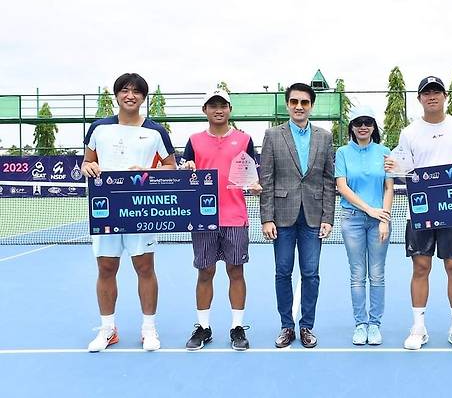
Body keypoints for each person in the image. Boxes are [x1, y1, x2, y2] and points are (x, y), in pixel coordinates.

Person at [82, 73, 176, 352]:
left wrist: (149, 171)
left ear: (143, 97)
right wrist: (87, 167)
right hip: (106, 210)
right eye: (125, 90)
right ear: (117, 95)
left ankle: (149, 329)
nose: (130, 95)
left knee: (145, 267)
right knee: (106, 267)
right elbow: (87, 162)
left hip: (141, 211)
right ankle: (108, 329)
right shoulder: (99, 128)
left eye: (136, 91)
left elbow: (171, 167)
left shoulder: (156, 131)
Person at [384, 76, 452, 351]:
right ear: (420, 98)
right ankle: (418, 328)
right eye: (426, 92)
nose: (431, 96)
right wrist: (393, 165)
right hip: (421, 211)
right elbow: (405, 170)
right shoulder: (409, 132)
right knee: (421, 267)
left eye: (436, 91)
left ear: (444, 95)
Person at [180, 87, 262, 351]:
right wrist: (187, 168)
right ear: (204, 110)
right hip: (203, 218)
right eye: (212, 105)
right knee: (205, 272)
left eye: (223, 105)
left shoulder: (245, 139)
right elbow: (186, 174)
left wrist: (254, 185)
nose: (218, 109)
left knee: (236, 271)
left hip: (235, 217)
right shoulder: (193, 141)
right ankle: (203, 327)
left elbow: (251, 174)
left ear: (229, 109)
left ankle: (237, 327)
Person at [259, 82, 335, 348]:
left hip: (314, 218)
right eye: (294, 102)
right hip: (281, 217)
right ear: (288, 104)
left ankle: (306, 327)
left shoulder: (325, 137)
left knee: (311, 273)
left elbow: (328, 181)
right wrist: (266, 218)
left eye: (304, 102)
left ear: (311, 105)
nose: (299, 106)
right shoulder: (272, 136)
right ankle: (286, 326)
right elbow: (266, 179)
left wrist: (328, 217)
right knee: (282, 272)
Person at [335, 105, 394, 345]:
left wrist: (384, 218)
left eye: (367, 122)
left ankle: (375, 325)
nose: (363, 126)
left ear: (373, 126)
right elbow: (342, 186)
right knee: (358, 275)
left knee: (377, 275)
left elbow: (389, 188)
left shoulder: (384, 151)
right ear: (352, 127)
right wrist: (369, 209)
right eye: (358, 122)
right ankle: (360, 324)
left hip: (380, 221)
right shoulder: (342, 153)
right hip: (352, 220)